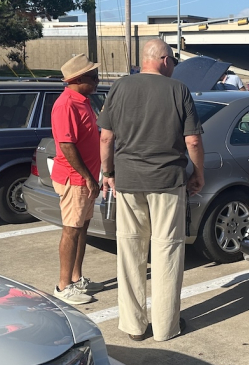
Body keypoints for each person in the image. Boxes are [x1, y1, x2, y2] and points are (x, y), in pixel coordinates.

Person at [98, 39, 204, 342]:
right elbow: (193, 141)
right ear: (165, 60)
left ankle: (134, 325)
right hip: (167, 182)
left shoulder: (119, 87)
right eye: (173, 62)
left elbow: (106, 138)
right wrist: (199, 174)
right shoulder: (179, 90)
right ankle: (165, 327)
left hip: (129, 181)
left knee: (130, 251)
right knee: (167, 251)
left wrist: (108, 173)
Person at [50, 53, 105, 305]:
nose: (97, 81)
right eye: (93, 77)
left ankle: (76, 277)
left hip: (86, 179)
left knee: (82, 228)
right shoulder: (66, 104)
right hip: (75, 179)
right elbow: (66, 145)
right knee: (71, 230)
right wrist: (87, 177)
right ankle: (63, 286)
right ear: (79, 79)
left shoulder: (83, 101)